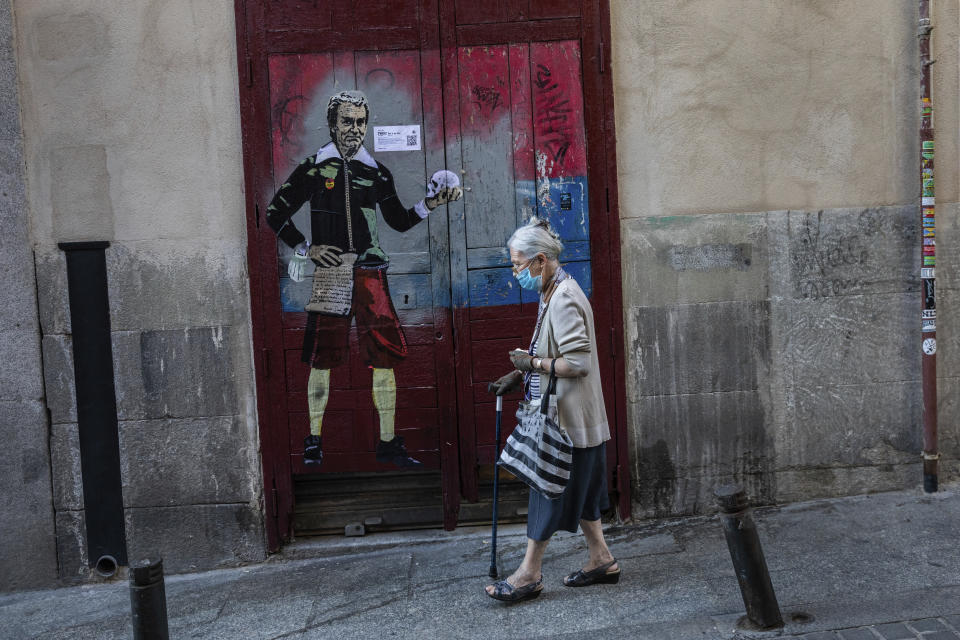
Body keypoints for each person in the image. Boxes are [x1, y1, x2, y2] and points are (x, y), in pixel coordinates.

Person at [265, 90, 461, 469]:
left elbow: (399, 221)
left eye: (360, 122)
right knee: (321, 359)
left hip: (371, 272)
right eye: (347, 121)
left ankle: (387, 441)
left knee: (383, 357)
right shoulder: (313, 168)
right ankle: (314, 440)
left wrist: (432, 204)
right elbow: (275, 212)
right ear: (332, 124)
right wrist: (306, 248)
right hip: (332, 273)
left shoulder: (376, 172)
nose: (354, 129)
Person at [485, 217, 619, 602]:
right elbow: (553, 351)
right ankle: (602, 559)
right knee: (583, 496)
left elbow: (577, 363)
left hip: (567, 423)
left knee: (547, 490)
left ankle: (528, 573)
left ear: (540, 260)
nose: (515, 273)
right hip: (575, 420)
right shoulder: (553, 290)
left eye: (518, 265)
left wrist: (534, 366)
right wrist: (519, 372)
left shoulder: (562, 299)